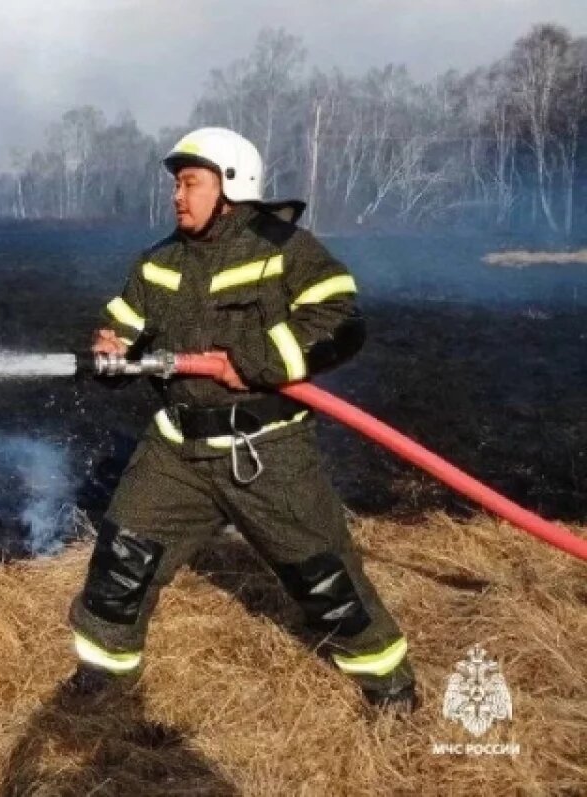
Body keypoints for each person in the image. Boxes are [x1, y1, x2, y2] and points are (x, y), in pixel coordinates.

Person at [67, 127, 417, 712]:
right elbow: (125, 318)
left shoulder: (285, 249)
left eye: (189, 184)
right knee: (121, 558)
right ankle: (104, 677)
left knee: (321, 575)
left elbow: (339, 318)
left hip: (264, 450)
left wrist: (253, 362)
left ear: (230, 184)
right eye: (176, 186)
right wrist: (112, 343)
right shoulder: (159, 261)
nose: (177, 197)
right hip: (175, 449)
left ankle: (388, 680)